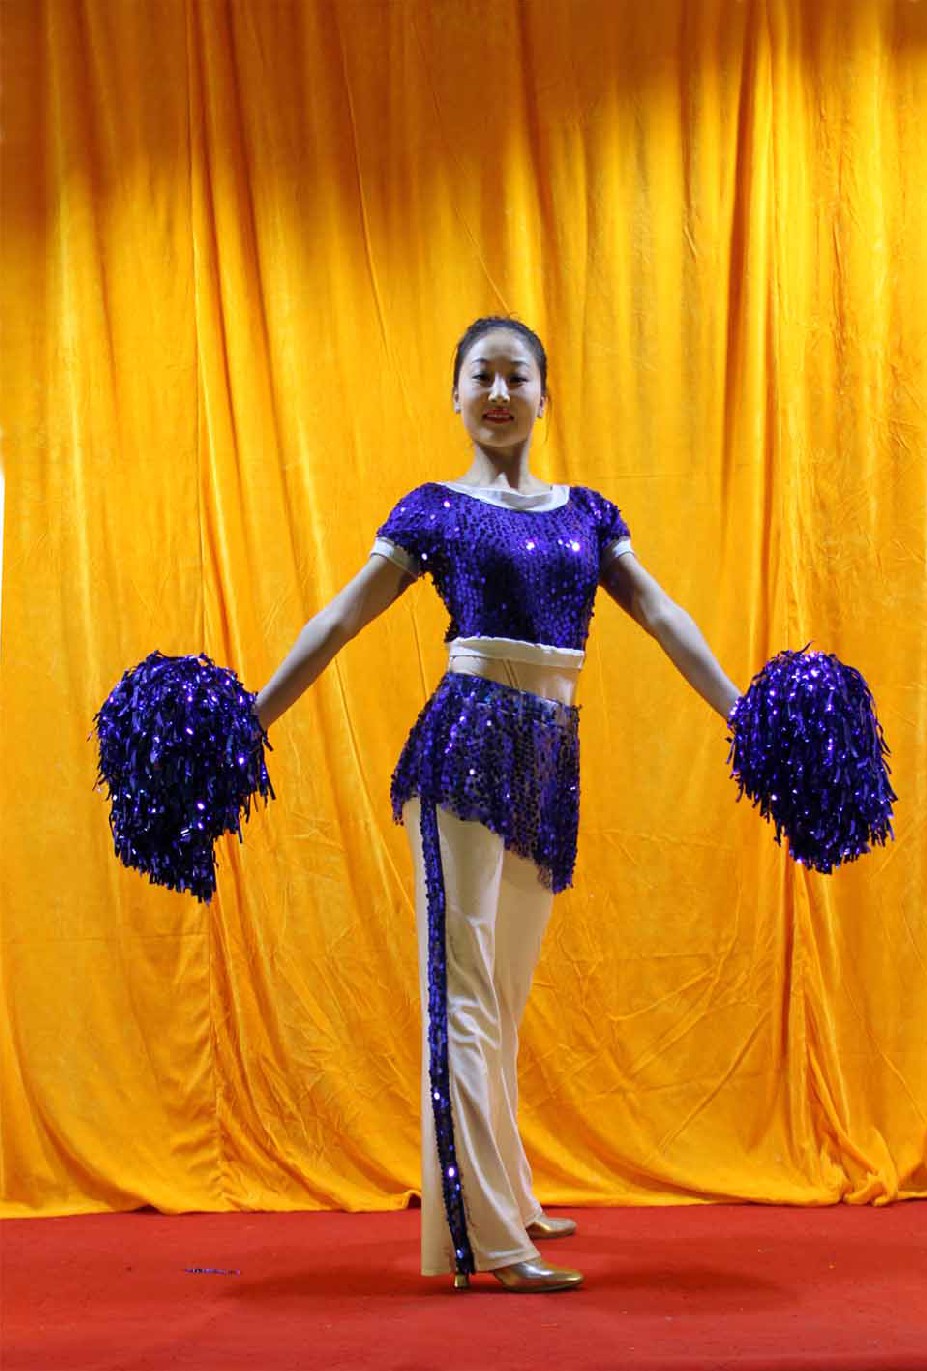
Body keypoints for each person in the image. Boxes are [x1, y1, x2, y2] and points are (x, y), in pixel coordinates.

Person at [252, 316, 741, 1292]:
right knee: (466, 991)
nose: (501, 393)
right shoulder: (434, 510)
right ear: (457, 395)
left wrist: (744, 713)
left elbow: (660, 612)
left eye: (518, 376)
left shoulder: (588, 512)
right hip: (466, 746)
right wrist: (250, 718)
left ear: (545, 395)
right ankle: (490, 1243)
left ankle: (508, 1193)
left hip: (551, 752)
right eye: (483, 375)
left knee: (504, 992)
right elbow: (343, 617)